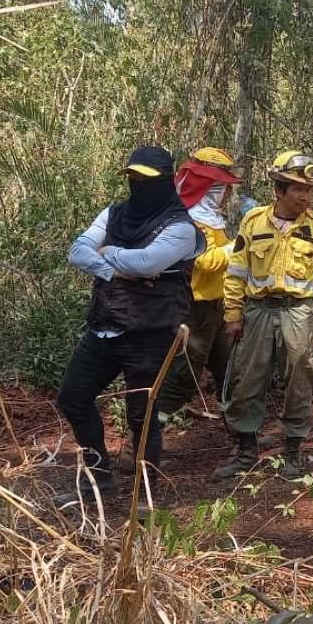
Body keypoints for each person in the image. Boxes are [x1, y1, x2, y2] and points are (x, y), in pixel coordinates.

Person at [54, 146, 205, 507]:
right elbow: (78, 251)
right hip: (104, 326)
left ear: (165, 181)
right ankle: (97, 479)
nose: (138, 184)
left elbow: (148, 263)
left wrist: (109, 253)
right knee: (73, 397)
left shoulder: (181, 228)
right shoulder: (114, 213)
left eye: (146, 179)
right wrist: (114, 268)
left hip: (150, 334)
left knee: (143, 414)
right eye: (133, 178)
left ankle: (144, 493)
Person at [213, 151, 313, 481]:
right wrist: (233, 316)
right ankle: (246, 452)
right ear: (278, 190)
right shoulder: (254, 222)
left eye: (310, 190)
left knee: (300, 381)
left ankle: (291, 454)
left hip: (298, 313)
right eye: (298, 189)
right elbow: (237, 272)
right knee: (246, 381)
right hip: (257, 313)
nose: (306, 196)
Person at [152, 147, 243, 422]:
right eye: (224, 187)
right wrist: (240, 246)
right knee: (182, 377)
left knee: (229, 372)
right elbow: (204, 261)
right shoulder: (189, 220)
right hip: (192, 308)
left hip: (214, 307)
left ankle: (243, 439)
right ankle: (139, 446)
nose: (228, 194)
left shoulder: (210, 219)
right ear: (212, 188)